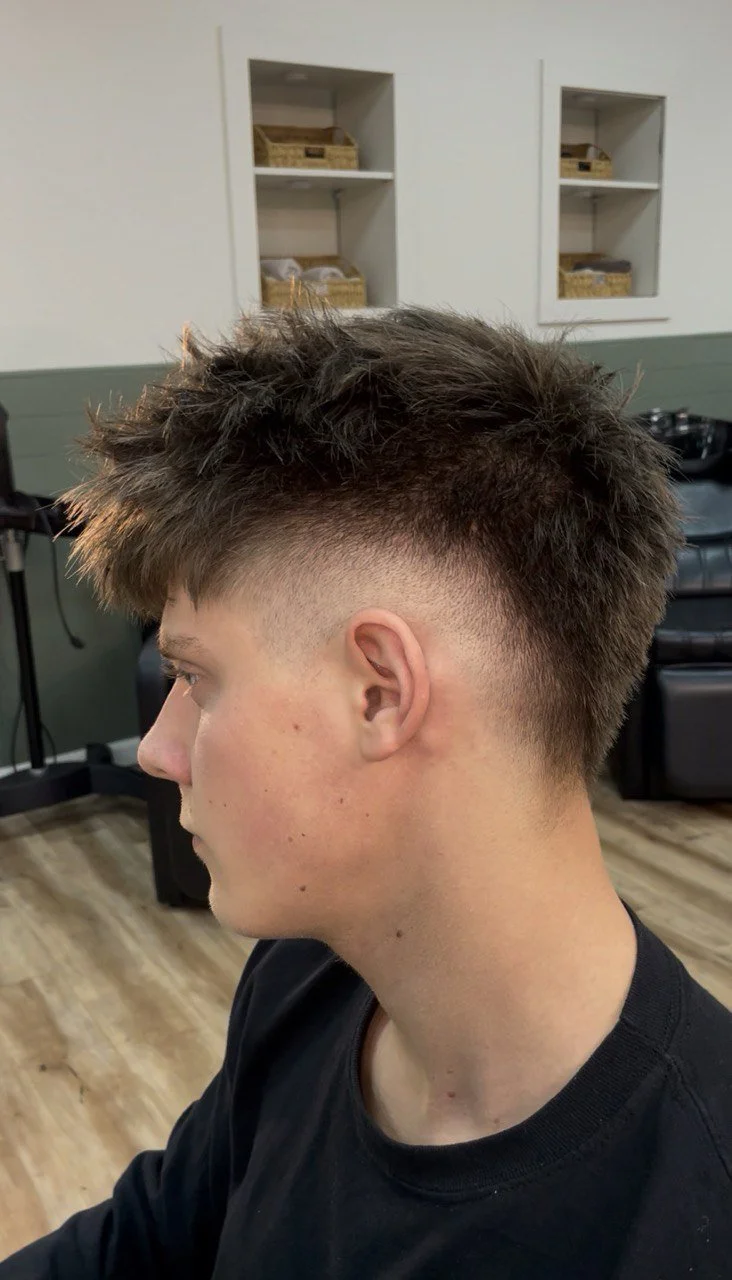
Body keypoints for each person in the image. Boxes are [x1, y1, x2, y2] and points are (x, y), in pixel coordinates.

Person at [2, 307, 730, 1279]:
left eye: (195, 677)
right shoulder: (308, 976)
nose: (161, 751)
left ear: (380, 692)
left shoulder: (693, 1218)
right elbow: (151, 1236)